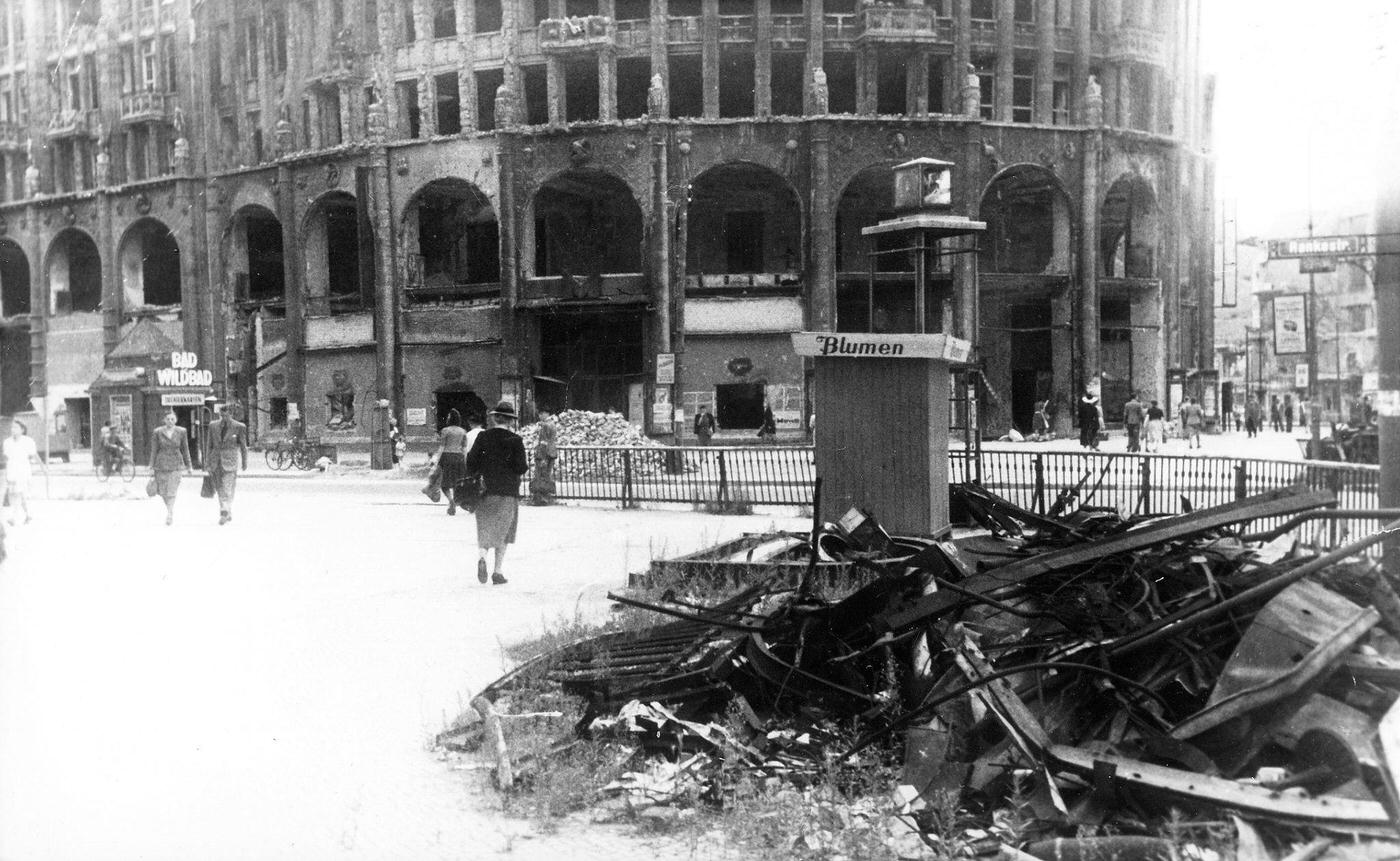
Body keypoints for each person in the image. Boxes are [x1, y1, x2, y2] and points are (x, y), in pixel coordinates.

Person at [466, 401, 528, 585]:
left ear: (494, 418)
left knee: (485, 528)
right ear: (510, 420)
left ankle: (482, 556)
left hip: (485, 491)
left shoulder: (483, 437)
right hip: (508, 491)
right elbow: (521, 467)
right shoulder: (515, 440)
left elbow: (471, 463)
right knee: (504, 531)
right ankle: (498, 571)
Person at [206, 404, 249, 525]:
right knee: (220, 487)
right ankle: (227, 510)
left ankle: (224, 508)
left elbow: (243, 446)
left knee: (228, 487)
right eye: (222, 415)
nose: (224, 417)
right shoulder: (213, 426)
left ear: (231, 414)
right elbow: (209, 445)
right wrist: (207, 463)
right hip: (216, 461)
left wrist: (244, 462)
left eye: (226, 415)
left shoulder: (239, 427)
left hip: (230, 461)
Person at [148, 410, 193, 526]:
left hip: (176, 464)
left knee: (172, 490)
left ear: (176, 420)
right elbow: (154, 450)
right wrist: (151, 466)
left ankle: (169, 513)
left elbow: (185, 449)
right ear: (164, 420)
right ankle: (169, 509)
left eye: (172, 419)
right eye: (168, 419)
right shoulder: (157, 432)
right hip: (161, 464)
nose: (170, 421)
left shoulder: (181, 431)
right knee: (163, 491)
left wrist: (189, 466)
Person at [429, 409, 471, 516]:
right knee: (458, 482)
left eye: (448, 416)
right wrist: (466, 461)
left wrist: (436, 460)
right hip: (459, 458)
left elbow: (442, 447)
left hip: (446, 457)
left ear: (450, 419)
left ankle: (450, 500)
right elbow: (464, 449)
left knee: (444, 483)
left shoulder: (445, 431)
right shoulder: (463, 431)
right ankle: (455, 501)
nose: (447, 418)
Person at [3, 421, 45, 525]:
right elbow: (7, 458)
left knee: (18, 493)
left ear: (22, 430)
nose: (13, 430)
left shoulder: (28, 441)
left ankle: (13, 517)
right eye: (12, 427)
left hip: (23, 470)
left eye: (16, 427)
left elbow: (34, 455)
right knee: (16, 494)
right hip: (11, 470)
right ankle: (28, 515)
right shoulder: (7, 442)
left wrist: (43, 467)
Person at [528, 408, 558, 506]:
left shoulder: (545, 425)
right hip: (552, 453)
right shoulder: (553, 424)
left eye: (541, 414)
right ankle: (548, 497)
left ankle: (540, 499)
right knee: (548, 476)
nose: (539, 416)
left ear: (545, 413)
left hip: (544, 454)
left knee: (540, 476)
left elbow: (543, 442)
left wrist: (542, 456)